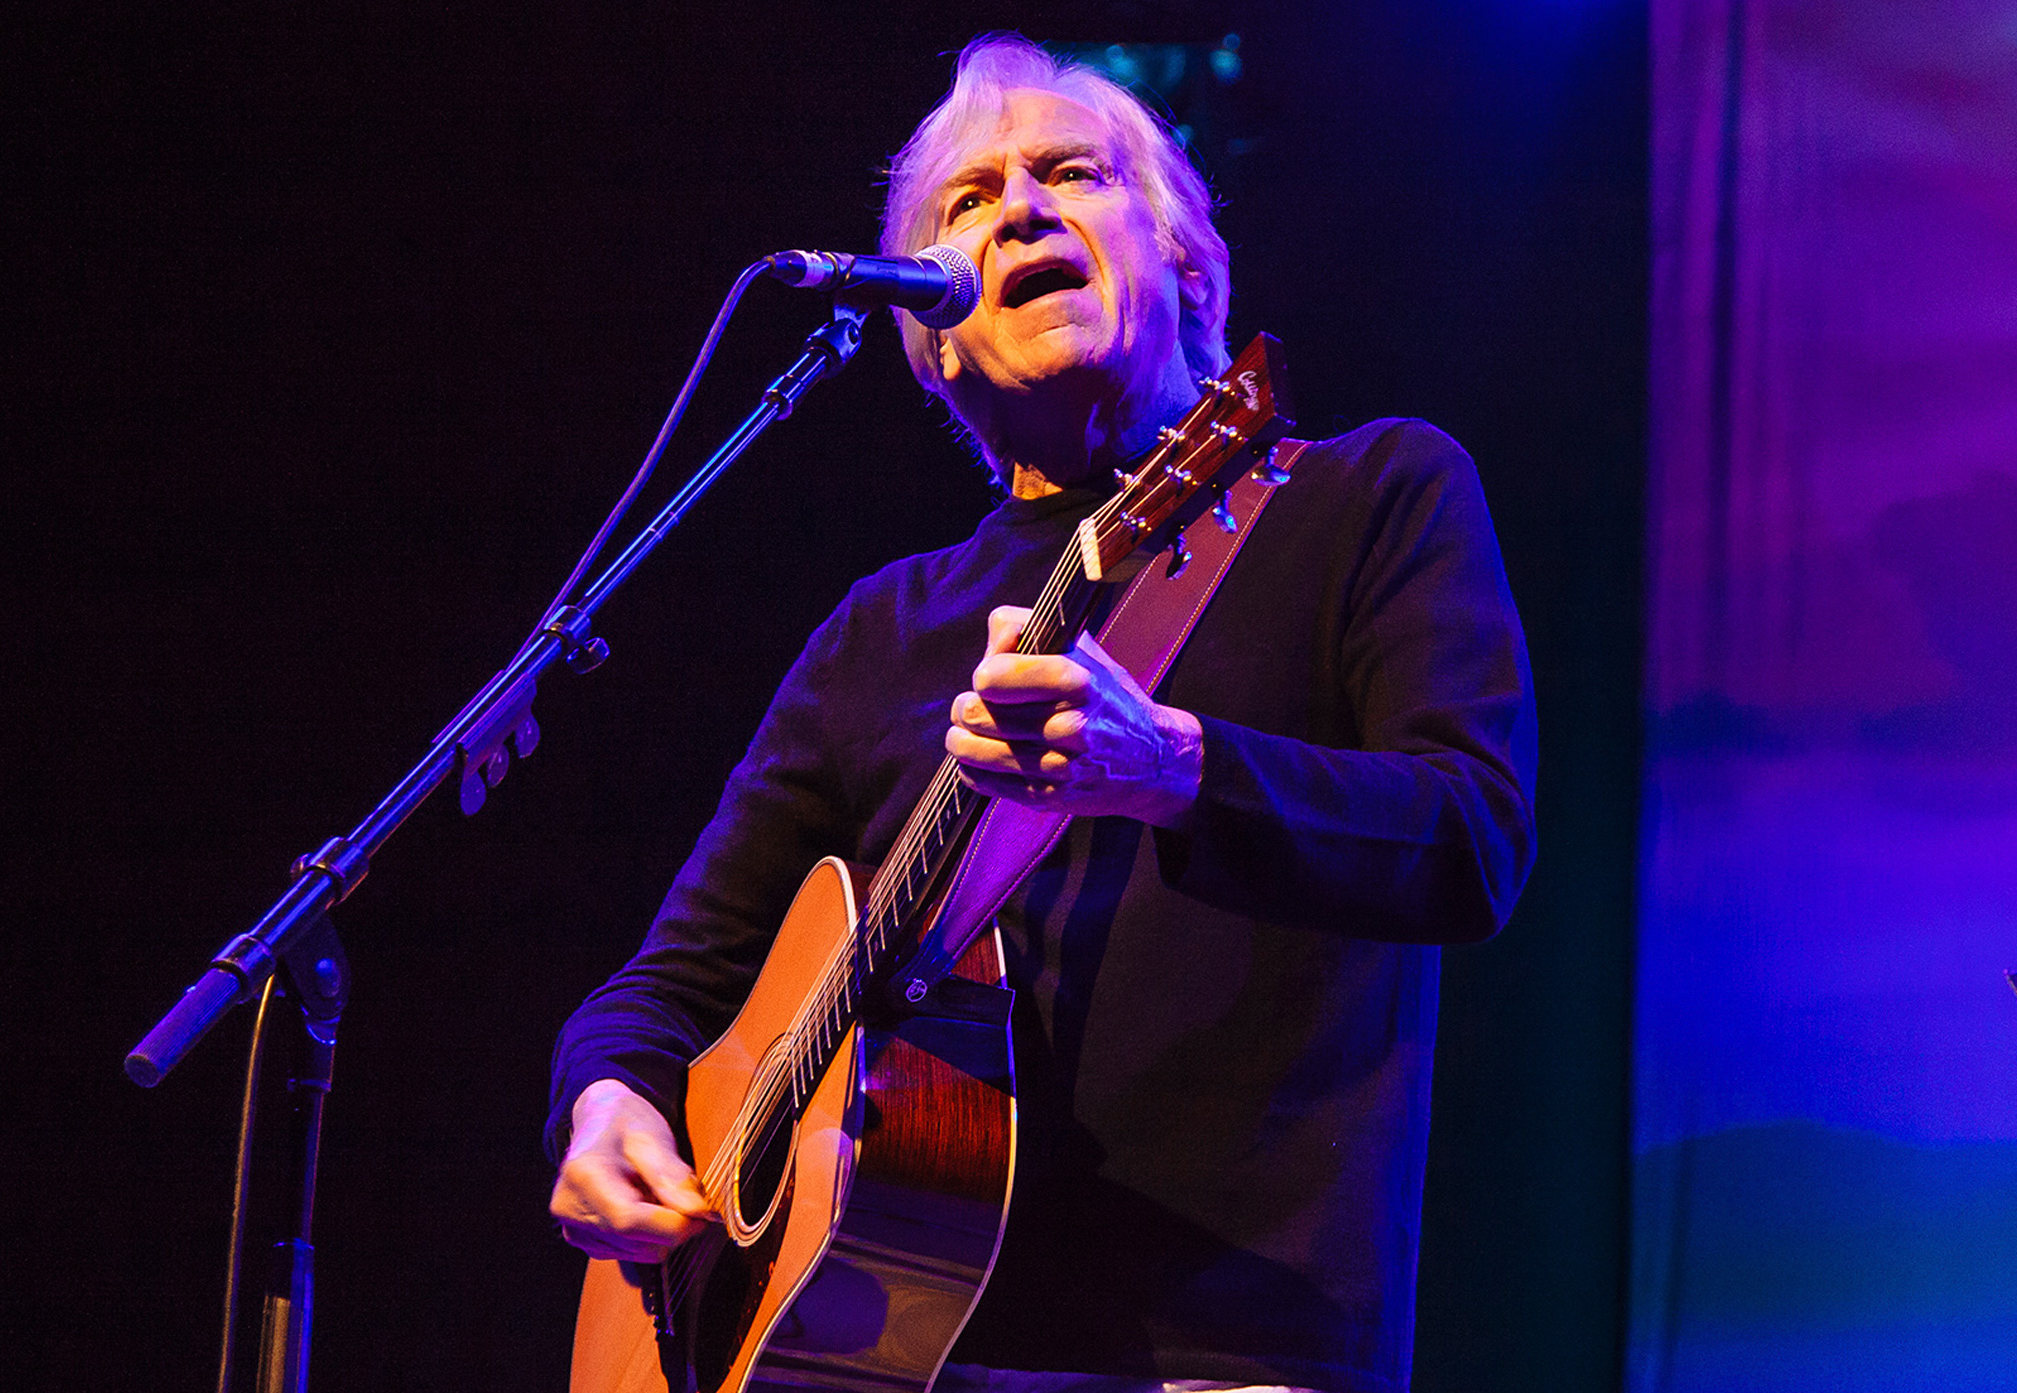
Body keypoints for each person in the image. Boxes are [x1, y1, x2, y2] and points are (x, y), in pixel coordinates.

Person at [547, 33, 1536, 1393]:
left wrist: (1171, 768)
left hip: (1226, 1350)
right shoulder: (878, 629)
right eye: (967, 201)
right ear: (923, 338)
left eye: (1070, 173)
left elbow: (1471, 835)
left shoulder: (1367, 496)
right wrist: (606, 1106)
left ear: (1188, 263)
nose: (1016, 208)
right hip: (874, 1359)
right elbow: (667, 988)